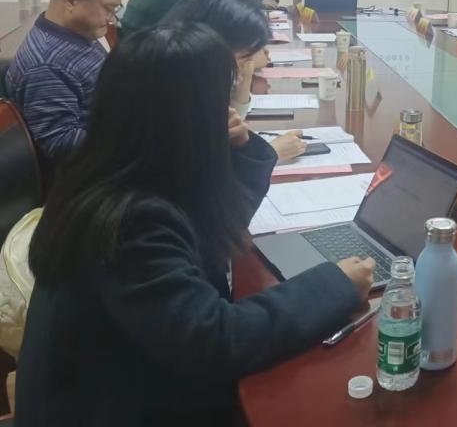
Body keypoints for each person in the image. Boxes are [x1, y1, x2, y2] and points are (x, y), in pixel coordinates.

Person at [16, 23, 374, 426]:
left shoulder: (118, 166)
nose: (229, 108)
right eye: (221, 96)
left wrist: (241, 150)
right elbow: (216, 341)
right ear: (189, 116)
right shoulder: (129, 220)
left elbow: (215, 229)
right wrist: (334, 285)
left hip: (125, 385)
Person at [4, 0, 128, 165]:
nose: (112, 19)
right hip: (93, 173)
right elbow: (61, 144)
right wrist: (133, 134)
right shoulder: (47, 66)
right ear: (71, 1)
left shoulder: (77, 34)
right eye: (109, 8)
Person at [165, 0, 306, 162]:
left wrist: (245, 77)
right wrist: (271, 155)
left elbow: (230, 126)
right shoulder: (180, 91)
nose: (237, 74)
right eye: (244, 57)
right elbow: (205, 167)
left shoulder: (192, 70)